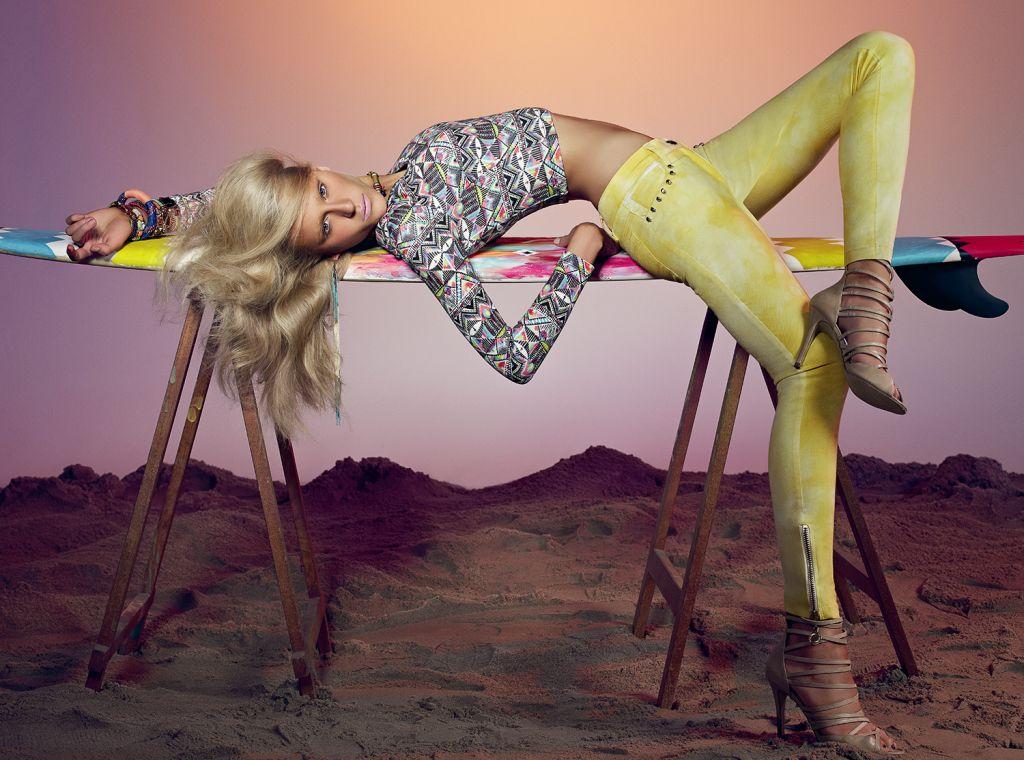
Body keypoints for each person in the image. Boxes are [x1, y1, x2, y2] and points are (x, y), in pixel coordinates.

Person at [63, 30, 914, 755]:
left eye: (322, 190)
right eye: (325, 228)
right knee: (813, 370)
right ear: (320, 251)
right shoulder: (420, 230)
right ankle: (815, 651)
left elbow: (237, 207)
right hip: (652, 198)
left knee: (880, 57)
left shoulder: (387, 178)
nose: (343, 207)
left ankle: (862, 297)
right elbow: (514, 356)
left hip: (692, 164)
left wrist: (138, 212)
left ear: (314, 168)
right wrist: (577, 257)